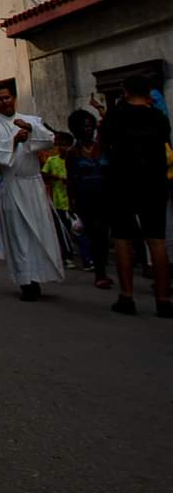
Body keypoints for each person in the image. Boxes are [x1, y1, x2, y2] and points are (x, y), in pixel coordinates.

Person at [98, 76, 171, 318]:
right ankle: (163, 298)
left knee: (123, 239)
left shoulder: (116, 116)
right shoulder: (158, 118)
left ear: (125, 90)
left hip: (122, 181)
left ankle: (127, 295)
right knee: (157, 240)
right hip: (154, 182)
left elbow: (103, 144)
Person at [0, 87, 62, 302]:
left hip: (33, 185)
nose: (4, 102)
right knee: (19, 234)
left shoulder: (31, 119)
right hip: (12, 185)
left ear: (13, 98)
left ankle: (41, 273)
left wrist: (30, 130)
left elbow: (49, 140)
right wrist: (14, 141)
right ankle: (27, 281)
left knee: (39, 231)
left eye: (7, 97)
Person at [65, 109, 111, 289]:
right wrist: (72, 201)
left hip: (104, 196)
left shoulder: (102, 148)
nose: (88, 130)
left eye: (90, 126)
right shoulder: (73, 153)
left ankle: (102, 269)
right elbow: (71, 179)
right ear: (76, 129)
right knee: (94, 234)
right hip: (85, 198)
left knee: (104, 234)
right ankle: (99, 272)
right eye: (84, 127)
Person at [41, 131, 76, 268]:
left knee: (79, 230)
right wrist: (54, 178)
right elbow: (44, 174)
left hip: (73, 200)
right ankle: (67, 255)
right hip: (58, 201)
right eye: (60, 145)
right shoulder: (52, 161)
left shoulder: (74, 159)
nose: (62, 148)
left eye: (65, 145)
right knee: (62, 230)